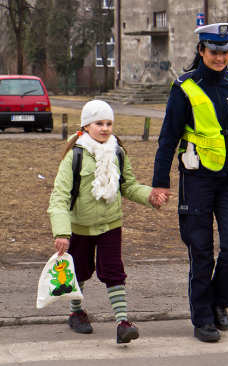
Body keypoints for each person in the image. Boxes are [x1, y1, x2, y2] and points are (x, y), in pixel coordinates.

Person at [149, 23, 228, 342]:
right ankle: (202, 318)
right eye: (215, 52)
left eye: (225, 52)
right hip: (196, 181)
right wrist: (160, 183)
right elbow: (167, 139)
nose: (220, 57)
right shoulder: (185, 87)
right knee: (201, 253)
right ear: (201, 51)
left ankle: (219, 303)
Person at [47, 100, 166, 344]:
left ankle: (123, 323)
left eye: (109, 123)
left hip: (111, 224)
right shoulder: (75, 155)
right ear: (86, 126)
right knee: (78, 271)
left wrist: (150, 195)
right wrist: (62, 232)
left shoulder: (117, 152)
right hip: (79, 225)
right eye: (99, 123)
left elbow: (129, 186)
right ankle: (76, 312)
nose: (105, 128)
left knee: (113, 271)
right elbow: (58, 197)